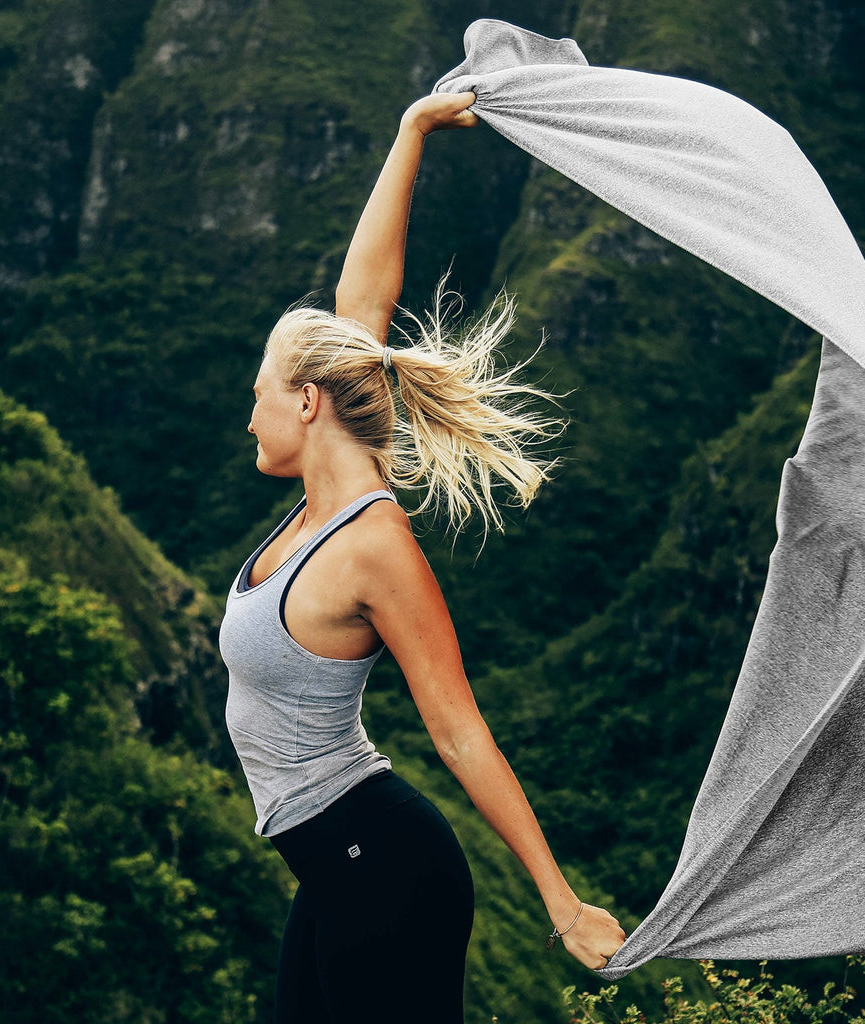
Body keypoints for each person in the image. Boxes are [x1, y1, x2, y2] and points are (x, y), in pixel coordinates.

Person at [218, 90, 626, 1023]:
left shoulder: (374, 547)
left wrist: (560, 907)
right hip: (333, 870)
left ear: (309, 401)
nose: (249, 417)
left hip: (384, 867)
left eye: (259, 395)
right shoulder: (321, 500)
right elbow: (367, 291)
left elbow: (460, 731)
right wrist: (410, 132)